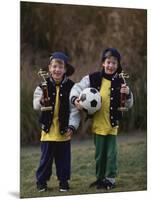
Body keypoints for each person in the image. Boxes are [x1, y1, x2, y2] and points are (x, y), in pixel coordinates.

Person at [69, 48, 133, 190]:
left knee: (111, 155)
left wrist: (128, 94)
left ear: (118, 65)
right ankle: (100, 179)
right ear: (103, 63)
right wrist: (75, 100)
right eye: (108, 62)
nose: (111, 66)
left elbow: (129, 104)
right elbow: (76, 88)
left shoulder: (121, 82)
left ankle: (110, 179)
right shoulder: (93, 78)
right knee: (99, 155)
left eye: (114, 63)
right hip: (98, 125)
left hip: (111, 125)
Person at [33, 52, 77, 192]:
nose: (57, 70)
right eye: (54, 66)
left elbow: (74, 110)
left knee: (63, 159)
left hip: (63, 130)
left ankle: (63, 182)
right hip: (48, 130)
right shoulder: (42, 86)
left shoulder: (72, 87)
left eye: (60, 67)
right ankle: (41, 182)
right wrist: (40, 101)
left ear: (65, 69)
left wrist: (72, 126)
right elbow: (35, 104)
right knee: (45, 160)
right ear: (49, 68)